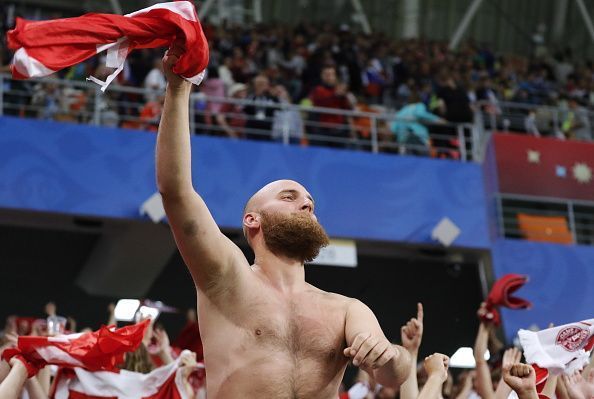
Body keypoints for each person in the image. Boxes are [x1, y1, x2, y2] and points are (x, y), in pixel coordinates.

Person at [156, 46, 411, 398]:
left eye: (310, 201)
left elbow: (392, 376)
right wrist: (179, 88)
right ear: (252, 220)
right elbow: (176, 192)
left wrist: (390, 355)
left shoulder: (347, 309)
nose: (306, 202)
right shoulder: (226, 277)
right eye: (289, 197)